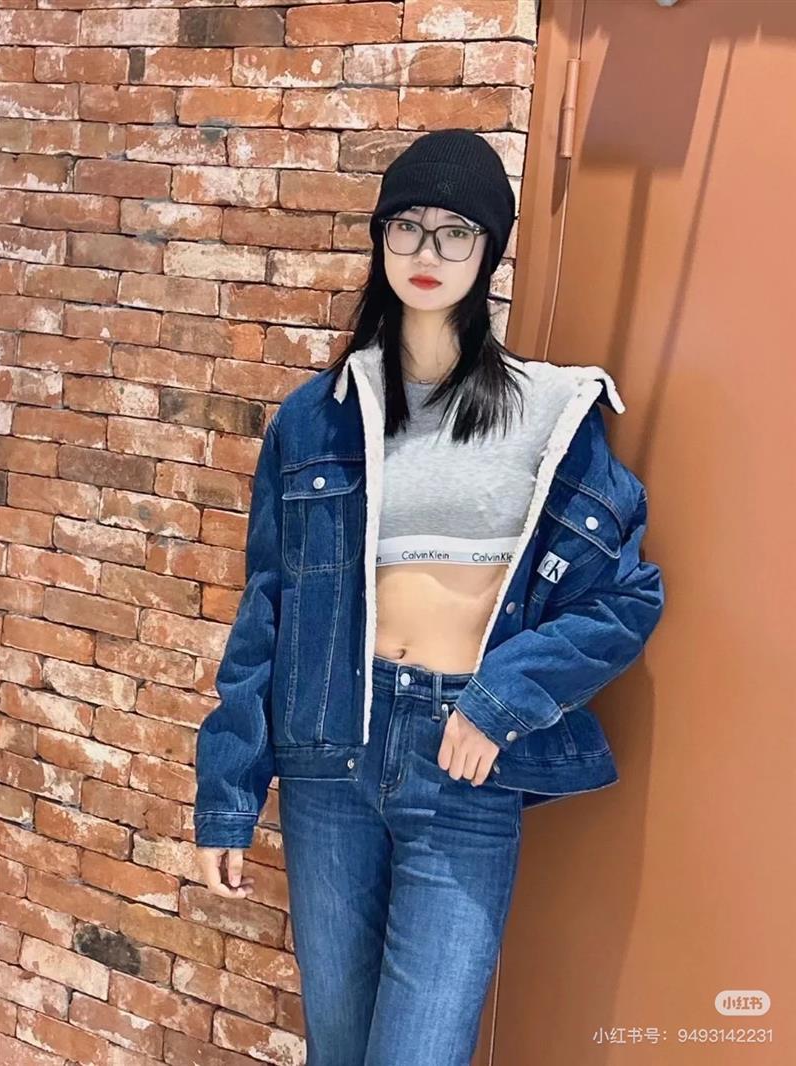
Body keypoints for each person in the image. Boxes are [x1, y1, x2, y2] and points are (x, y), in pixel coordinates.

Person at [194, 129, 665, 1065]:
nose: (428, 251)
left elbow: (623, 598)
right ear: (380, 238)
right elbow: (267, 614)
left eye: (457, 231)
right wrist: (228, 794)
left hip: (463, 762)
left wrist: (500, 703)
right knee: (337, 1047)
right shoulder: (316, 418)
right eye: (407, 225)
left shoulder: (548, 413)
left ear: (489, 251)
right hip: (330, 753)